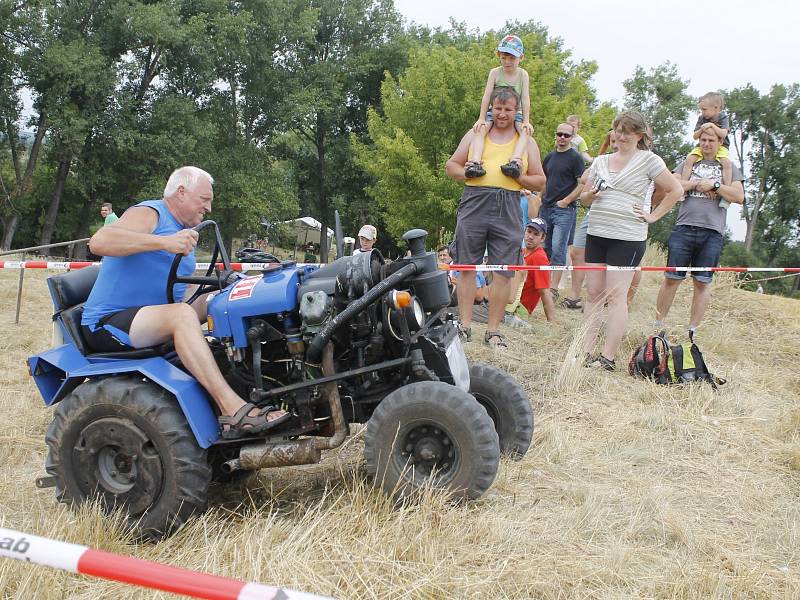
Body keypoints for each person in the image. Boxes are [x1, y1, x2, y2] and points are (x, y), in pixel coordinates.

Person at [81, 166, 289, 438]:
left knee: (227, 297)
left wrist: (231, 288)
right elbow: (100, 241)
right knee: (180, 316)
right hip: (108, 323)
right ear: (181, 192)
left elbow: (184, 290)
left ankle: (269, 382)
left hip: (149, 317)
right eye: (204, 199)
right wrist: (164, 242)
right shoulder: (151, 213)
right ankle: (233, 410)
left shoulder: (183, 231)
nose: (209, 207)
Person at [578, 111, 683, 371]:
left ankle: (607, 357)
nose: (621, 135)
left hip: (627, 236)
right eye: (618, 130)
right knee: (592, 293)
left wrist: (653, 216)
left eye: (627, 131)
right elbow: (583, 198)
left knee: (616, 296)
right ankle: (585, 351)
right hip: (597, 231)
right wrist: (589, 196)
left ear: (639, 135)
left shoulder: (649, 160)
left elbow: (676, 190)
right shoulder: (601, 161)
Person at [446, 87, 546, 348]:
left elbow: (540, 179)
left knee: (503, 271)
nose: (502, 114)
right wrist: (468, 173)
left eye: (508, 109)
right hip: (475, 200)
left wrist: (519, 178)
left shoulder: (526, 140)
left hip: (510, 203)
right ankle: (465, 326)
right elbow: (452, 165)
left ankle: (493, 331)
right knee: (467, 266)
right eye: (498, 108)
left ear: (517, 111)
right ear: (491, 107)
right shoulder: (476, 132)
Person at [654, 129, 745, 337]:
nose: (706, 144)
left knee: (702, 282)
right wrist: (696, 183)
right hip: (684, 227)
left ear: (720, 142)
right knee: (671, 278)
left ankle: (692, 330)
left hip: (712, 232)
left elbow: (739, 196)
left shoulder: (729, 166)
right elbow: (672, 184)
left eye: (711, 140)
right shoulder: (690, 161)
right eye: (703, 140)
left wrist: (714, 184)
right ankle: (658, 324)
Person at [466, 34, 532, 181]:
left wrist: (526, 120)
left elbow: (525, 98)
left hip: (516, 112)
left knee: (525, 132)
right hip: (494, 111)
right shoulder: (495, 72)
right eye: (504, 57)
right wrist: (481, 118)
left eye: (511, 58)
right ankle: (475, 162)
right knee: (480, 129)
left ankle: (515, 160)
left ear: (521, 58)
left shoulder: (523, 75)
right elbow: (487, 95)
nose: (507, 62)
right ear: (499, 56)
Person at [540, 123, 586, 296]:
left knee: (559, 247)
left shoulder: (575, 157)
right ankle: (542, 284)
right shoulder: (550, 157)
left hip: (564, 210)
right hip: (546, 207)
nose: (562, 138)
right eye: (559, 134)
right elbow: (545, 180)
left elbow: (582, 183)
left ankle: (553, 288)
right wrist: (539, 197)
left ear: (572, 138)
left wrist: (566, 201)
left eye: (566, 135)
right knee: (544, 247)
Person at [681, 92, 733, 191]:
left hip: (722, 147)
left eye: (704, 109)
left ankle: (726, 190)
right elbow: (695, 136)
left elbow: (723, 134)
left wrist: (711, 126)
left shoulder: (723, 117)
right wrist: (702, 129)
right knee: (689, 159)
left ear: (716, 108)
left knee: (726, 163)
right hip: (702, 147)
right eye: (701, 110)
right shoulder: (701, 118)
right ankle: (683, 188)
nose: (702, 112)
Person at [519, 217, 556, 320]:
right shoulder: (521, 251)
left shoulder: (539, 258)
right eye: (529, 232)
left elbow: (545, 292)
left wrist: (551, 321)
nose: (530, 236)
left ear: (542, 238)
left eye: (536, 234)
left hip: (519, 309)